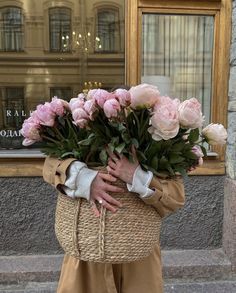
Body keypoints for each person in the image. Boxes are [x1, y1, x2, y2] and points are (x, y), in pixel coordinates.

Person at [43, 147, 185, 293]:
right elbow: (50, 165)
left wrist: (138, 176)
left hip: (139, 254)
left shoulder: (157, 137)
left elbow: (176, 197)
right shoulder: (74, 128)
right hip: (86, 252)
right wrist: (85, 179)